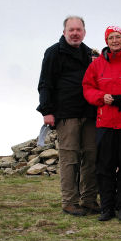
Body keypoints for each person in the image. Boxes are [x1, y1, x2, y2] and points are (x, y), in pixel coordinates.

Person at [36, 16, 99, 217]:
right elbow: (45, 83)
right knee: (69, 159)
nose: (75, 33)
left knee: (91, 157)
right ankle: (70, 201)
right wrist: (47, 111)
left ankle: (89, 199)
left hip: (89, 113)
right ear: (64, 32)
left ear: (84, 32)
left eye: (78, 30)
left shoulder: (90, 54)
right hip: (66, 114)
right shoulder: (53, 52)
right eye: (71, 30)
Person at [83, 26, 121, 221]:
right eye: (111, 37)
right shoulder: (96, 65)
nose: (115, 40)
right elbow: (88, 88)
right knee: (105, 167)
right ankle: (107, 207)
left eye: (118, 37)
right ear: (106, 40)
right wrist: (102, 97)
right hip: (106, 123)